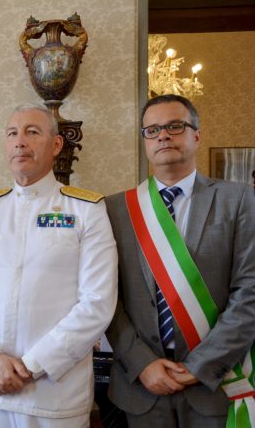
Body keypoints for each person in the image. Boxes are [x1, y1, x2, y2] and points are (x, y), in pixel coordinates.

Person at [0, 103, 118, 428]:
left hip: (55, 392)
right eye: (12, 133)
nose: (20, 142)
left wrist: (32, 365)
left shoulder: (86, 210)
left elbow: (97, 303)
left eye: (32, 132)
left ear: (56, 145)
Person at [105, 94, 255, 428]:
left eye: (175, 126)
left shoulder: (239, 199)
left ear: (196, 135)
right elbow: (106, 298)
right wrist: (142, 363)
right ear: (145, 140)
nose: (163, 136)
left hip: (215, 385)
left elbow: (250, 292)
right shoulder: (115, 209)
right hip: (140, 387)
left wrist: (201, 366)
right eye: (152, 130)